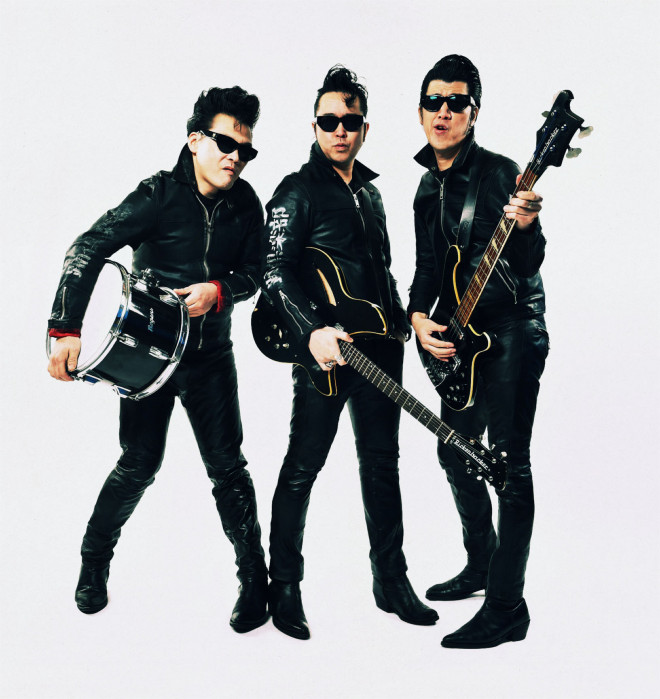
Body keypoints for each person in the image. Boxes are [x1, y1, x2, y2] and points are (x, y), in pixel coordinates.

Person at [47, 86, 269, 633]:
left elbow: (257, 272)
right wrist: (65, 327)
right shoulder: (158, 195)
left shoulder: (246, 203)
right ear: (195, 140)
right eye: (224, 143)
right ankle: (93, 562)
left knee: (229, 469)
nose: (234, 157)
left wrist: (219, 291)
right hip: (148, 359)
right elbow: (88, 246)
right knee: (138, 463)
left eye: (244, 149)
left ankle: (255, 580)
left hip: (211, 357)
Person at [261, 65, 438, 640]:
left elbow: (380, 270)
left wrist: (401, 321)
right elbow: (274, 273)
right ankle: (284, 587)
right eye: (329, 120)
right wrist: (312, 330)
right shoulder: (296, 191)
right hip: (327, 356)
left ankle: (391, 581)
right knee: (302, 468)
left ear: (365, 128)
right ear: (314, 126)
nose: (340, 130)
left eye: (351, 121)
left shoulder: (372, 193)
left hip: (382, 351)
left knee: (382, 466)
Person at [408, 55, 549, 648]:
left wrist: (527, 225)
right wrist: (418, 318)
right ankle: (482, 563)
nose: (444, 112)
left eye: (456, 102)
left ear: (473, 113)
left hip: (512, 329)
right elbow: (428, 268)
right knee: (454, 451)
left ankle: (507, 608)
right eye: (434, 101)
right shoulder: (426, 187)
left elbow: (529, 263)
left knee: (510, 467)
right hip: (462, 337)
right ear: (420, 112)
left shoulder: (500, 174)